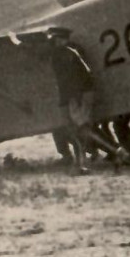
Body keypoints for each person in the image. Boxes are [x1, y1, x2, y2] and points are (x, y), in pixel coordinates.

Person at [48, 26, 101, 174]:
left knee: (80, 130)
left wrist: (75, 98)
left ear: (60, 39)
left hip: (77, 95)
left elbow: (74, 78)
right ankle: (81, 163)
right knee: (80, 130)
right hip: (79, 95)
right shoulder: (71, 52)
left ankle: (114, 151)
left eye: (55, 39)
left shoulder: (65, 54)